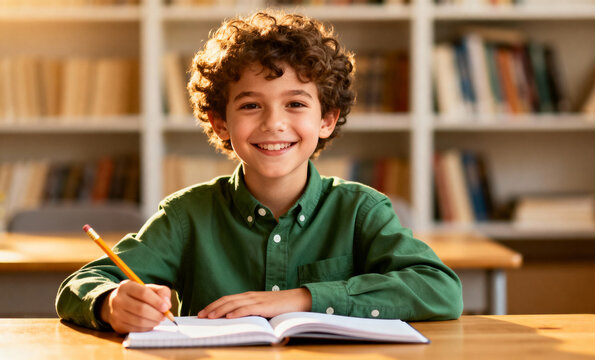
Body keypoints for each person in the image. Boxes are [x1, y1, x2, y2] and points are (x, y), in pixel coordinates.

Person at [56, 10, 462, 334]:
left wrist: (302, 298)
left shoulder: (361, 209)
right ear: (220, 123)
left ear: (327, 119)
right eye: (251, 105)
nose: (274, 124)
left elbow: (439, 289)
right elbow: (80, 285)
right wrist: (110, 303)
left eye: (296, 104)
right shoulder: (186, 216)